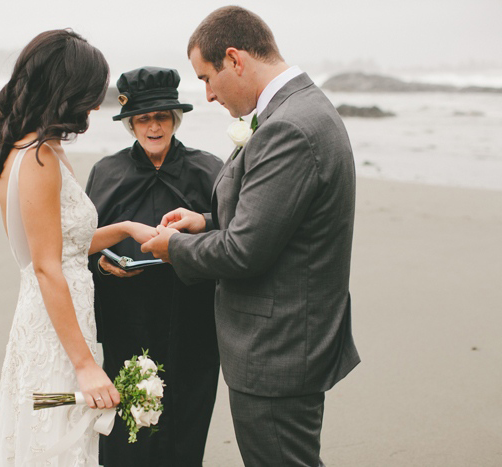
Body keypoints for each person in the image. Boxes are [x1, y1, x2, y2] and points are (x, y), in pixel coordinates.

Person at [141, 6, 360, 466]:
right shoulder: (294, 109)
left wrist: (174, 248)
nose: (207, 95)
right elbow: (272, 219)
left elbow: (244, 252)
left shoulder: (289, 127)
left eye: (206, 78)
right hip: (284, 342)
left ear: (236, 60)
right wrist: (204, 221)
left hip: (277, 352)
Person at [0, 30, 156, 466]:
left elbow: (63, 246)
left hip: (63, 315)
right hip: (56, 329)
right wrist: (85, 365)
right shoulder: (37, 157)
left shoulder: (41, 150)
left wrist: (125, 228)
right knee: (56, 441)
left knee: (55, 436)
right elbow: (46, 267)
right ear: (67, 91)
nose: (96, 105)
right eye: (92, 93)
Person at [85, 66, 223, 467]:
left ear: (175, 118)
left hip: (195, 324)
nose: (153, 126)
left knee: (185, 433)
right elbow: (84, 247)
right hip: (127, 325)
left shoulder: (209, 169)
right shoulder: (106, 173)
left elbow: (235, 235)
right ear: (130, 124)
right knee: (130, 436)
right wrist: (107, 268)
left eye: (161, 116)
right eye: (143, 118)